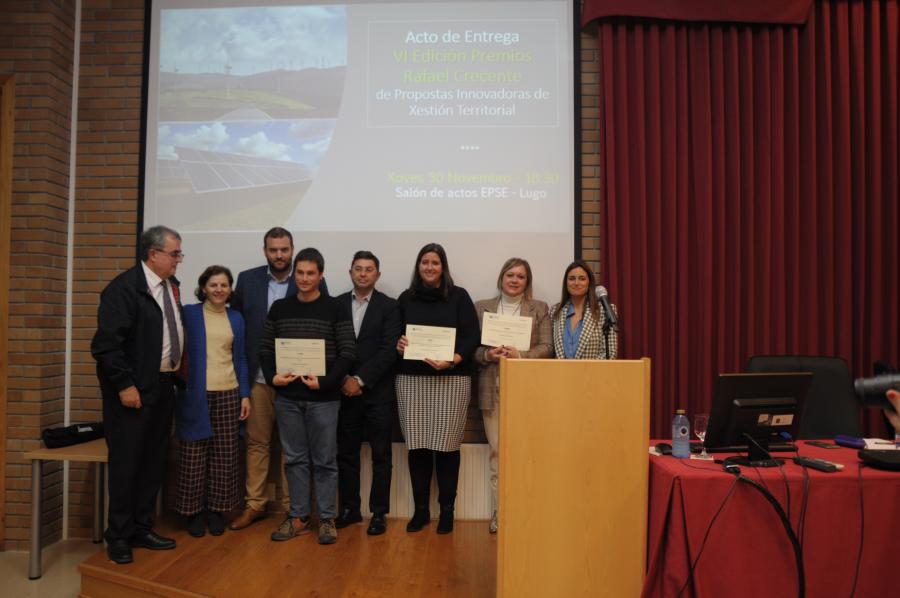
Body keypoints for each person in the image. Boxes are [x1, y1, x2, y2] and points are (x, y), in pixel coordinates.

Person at [91, 225, 184, 564]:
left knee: (152, 463)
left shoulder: (171, 286)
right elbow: (106, 347)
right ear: (153, 254)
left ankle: (141, 527)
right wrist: (124, 386)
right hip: (132, 393)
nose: (178, 260)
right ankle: (118, 535)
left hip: (163, 388)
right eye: (174, 254)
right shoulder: (124, 289)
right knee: (127, 464)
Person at [229, 227, 328, 531]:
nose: (279, 255)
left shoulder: (307, 279)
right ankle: (254, 505)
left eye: (284, 249)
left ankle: (292, 508)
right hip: (259, 379)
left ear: (292, 248)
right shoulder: (247, 280)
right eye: (273, 250)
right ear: (265, 251)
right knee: (257, 444)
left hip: (295, 380)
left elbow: (321, 326)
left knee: (292, 448)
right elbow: (237, 327)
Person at [259, 248, 355, 545]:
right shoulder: (279, 309)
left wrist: (324, 382)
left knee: (325, 461)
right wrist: (273, 375)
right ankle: (299, 517)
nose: (304, 278)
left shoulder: (336, 308)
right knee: (295, 460)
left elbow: (347, 352)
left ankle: (326, 518)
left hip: (323, 399)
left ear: (321, 275)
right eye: (299, 272)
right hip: (288, 398)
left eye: (310, 273)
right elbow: (265, 348)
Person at [395, 243, 480, 534]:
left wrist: (453, 360)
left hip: (452, 380)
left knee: (446, 448)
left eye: (435, 262)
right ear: (418, 266)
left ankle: (447, 511)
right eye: (424, 262)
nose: (429, 267)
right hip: (412, 381)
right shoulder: (405, 298)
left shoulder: (459, 297)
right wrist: (400, 343)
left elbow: (472, 336)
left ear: (443, 267)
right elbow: (395, 336)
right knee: (417, 447)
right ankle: (421, 512)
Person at [473, 258, 552, 533]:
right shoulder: (482, 307)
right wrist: (487, 354)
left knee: (526, 453)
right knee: (497, 454)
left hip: (527, 392)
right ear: (501, 278)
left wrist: (522, 355)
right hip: (491, 389)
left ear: (526, 282)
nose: (515, 280)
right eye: (510, 275)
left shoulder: (539, 309)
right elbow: (472, 349)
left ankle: (526, 510)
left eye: (521, 276)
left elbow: (547, 347)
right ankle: (499, 513)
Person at [174, 265, 251, 537]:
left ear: (230, 289)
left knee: (225, 455)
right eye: (213, 285)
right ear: (203, 287)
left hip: (229, 392)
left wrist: (244, 394)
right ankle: (193, 513)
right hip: (196, 394)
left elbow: (240, 358)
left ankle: (216, 510)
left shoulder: (237, 318)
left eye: (224, 285)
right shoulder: (190, 314)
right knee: (193, 454)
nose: (219, 290)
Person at [335, 251, 401, 535]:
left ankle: (378, 513)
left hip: (377, 393)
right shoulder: (335, 304)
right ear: (350, 272)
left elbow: (389, 350)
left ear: (378, 275)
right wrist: (342, 378)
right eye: (358, 269)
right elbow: (329, 345)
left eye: (369, 269)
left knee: (381, 455)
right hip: (343, 392)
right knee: (346, 453)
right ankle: (350, 509)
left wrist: (360, 380)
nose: (363, 274)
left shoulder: (390, 306)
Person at [550, 259, 618, 360]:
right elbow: (551, 351)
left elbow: (610, 353)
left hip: (592, 374)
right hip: (561, 374)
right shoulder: (555, 311)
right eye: (572, 278)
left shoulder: (605, 310)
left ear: (589, 282)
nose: (576, 283)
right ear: (566, 283)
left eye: (582, 279)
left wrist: (584, 371)